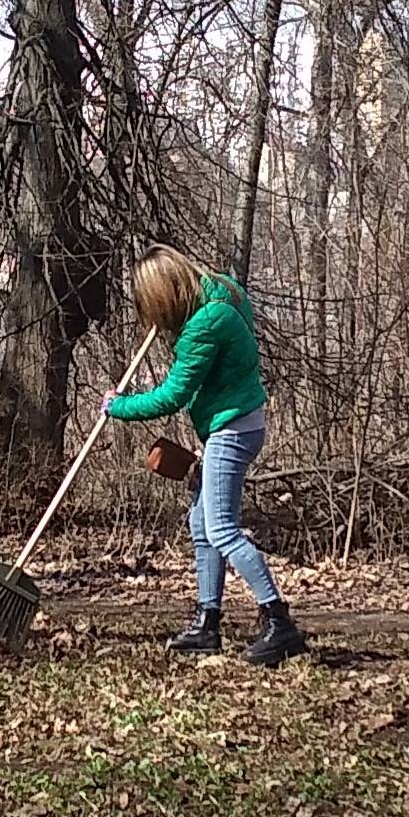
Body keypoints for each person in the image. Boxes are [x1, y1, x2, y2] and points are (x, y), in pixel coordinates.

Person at [103, 250, 303, 664]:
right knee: (202, 523)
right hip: (234, 423)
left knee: (222, 530)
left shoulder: (204, 326)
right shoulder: (225, 292)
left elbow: (172, 395)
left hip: (232, 430)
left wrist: (118, 406)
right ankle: (207, 623)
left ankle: (279, 622)